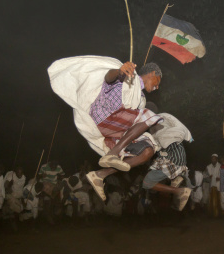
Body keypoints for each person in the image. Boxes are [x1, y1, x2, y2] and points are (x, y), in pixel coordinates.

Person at [48, 56, 163, 200]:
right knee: (149, 114)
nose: (157, 86)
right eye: (158, 81)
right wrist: (120, 71)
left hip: (116, 131)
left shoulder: (139, 97)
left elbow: (134, 123)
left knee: (148, 151)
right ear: (152, 73)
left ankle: (100, 175)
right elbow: (109, 79)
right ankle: (113, 153)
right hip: (102, 118)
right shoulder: (129, 78)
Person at [4, 167, 26, 231]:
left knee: (15, 212)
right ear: (15, 172)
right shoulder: (11, 175)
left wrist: (22, 199)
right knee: (14, 211)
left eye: (21, 173)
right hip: (10, 196)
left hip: (18, 197)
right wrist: (9, 185)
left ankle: (15, 229)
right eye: (18, 173)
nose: (20, 174)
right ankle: (14, 229)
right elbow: (6, 187)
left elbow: (21, 189)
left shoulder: (24, 178)